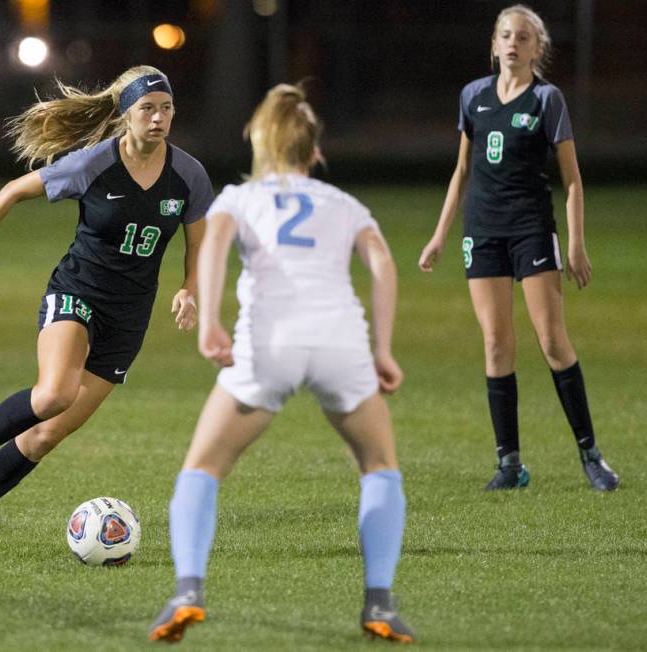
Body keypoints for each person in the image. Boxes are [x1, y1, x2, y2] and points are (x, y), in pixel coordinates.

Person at [148, 83, 415, 644]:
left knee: (203, 468)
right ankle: (380, 604)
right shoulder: (343, 204)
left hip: (269, 344)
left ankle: (187, 591)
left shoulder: (239, 199)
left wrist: (211, 323)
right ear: (314, 153)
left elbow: (215, 243)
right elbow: (384, 264)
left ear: (259, 144)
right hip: (339, 341)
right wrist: (384, 348)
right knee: (378, 465)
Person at [0, 65, 214, 551]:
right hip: (77, 291)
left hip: (129, 316)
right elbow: (13, 191)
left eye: (166, 108)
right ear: (125, 114)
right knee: (54, 393)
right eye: (147, 109)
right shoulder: (93, 163)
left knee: (44, 436)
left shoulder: (189, 174)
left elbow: (199, 241)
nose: (158, 119)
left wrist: (189, 288)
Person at [418, 5, 619, 491]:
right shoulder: (472, 96)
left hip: (530, 229)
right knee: (495, 343)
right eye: (505, 35)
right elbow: (462, 171)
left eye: (523, 37)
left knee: (552, 340)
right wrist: (440, 234)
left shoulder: (547, 100)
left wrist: (575, 244)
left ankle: (591, 455)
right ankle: (510, 464)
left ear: (537, 48)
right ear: (494, 45)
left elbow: (572, 181)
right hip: (481, 231)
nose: (513, 43)